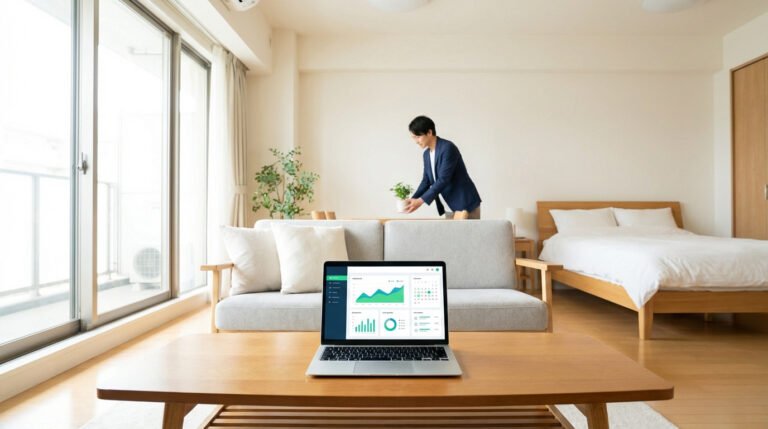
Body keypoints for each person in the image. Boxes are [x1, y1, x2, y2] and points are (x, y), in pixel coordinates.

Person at [403, 116, 482, 219]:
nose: (416, 141)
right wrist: (413, 200)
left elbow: (443, 179)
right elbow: (426, 181)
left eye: (418, 136)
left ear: (429, 132)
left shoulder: (448, 148)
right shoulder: (426, 154)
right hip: (449, 206)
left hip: (465, 205)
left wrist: (420, 201)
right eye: (414, 137)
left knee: (469, 235)